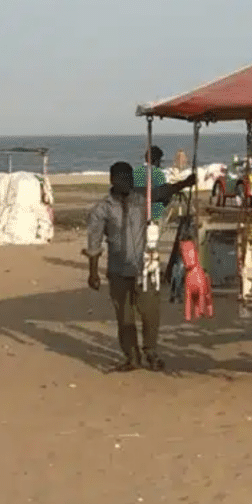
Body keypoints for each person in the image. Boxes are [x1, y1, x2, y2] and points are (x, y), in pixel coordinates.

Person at [85, 161, 196, 372]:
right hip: (118, 270)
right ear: (112, 180)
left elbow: (165, 190)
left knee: (150, 312)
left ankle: (151, 351)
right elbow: (94, 242)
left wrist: (186, 182)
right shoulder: (102, 209)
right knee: (124, 317)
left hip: (144, 269)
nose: (126, 183)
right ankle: (131, 356)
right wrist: (93, 273)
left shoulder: (142, 198)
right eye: (121, 179)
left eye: (129, 179)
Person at [133, 145, 169, 222]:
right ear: (156, 160)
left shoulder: (135, 171)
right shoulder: (157, 173)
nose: (160, 163)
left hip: (135, 211)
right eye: (160, 161)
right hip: (153, 214)